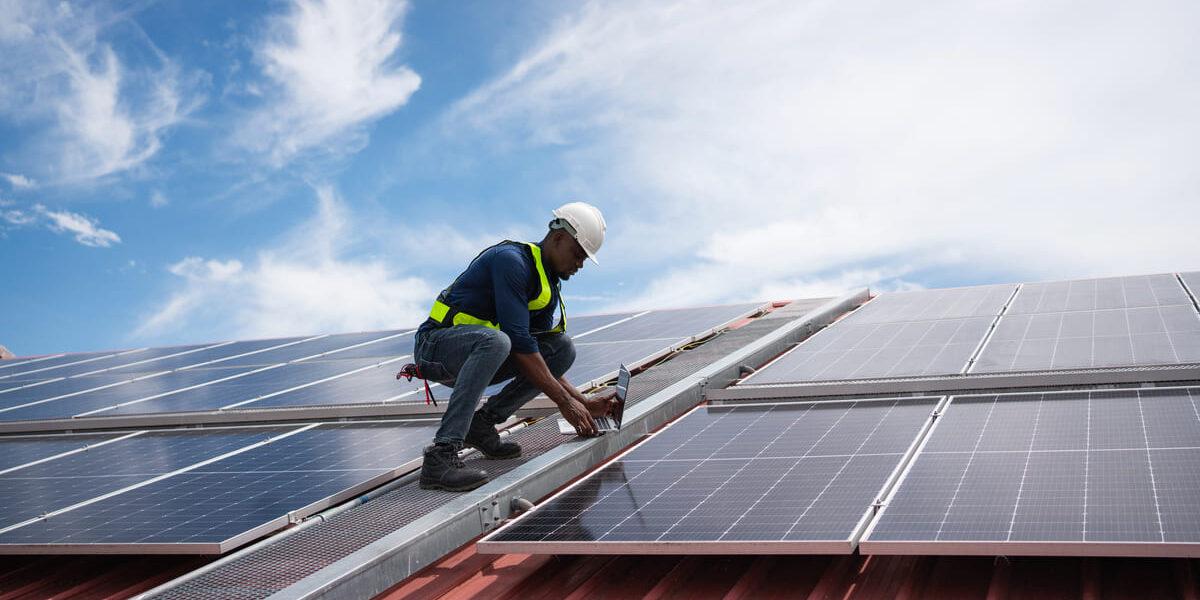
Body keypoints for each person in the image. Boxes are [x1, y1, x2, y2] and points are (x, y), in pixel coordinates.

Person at [413, 202, 618, 492]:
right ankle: (441, 454)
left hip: (480, 354)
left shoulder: (547, 287)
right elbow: (519, 344)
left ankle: (481, 426)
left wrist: (583, 402)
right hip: (435, 349)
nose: (580, 264)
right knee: (498, 341)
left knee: (561, 348)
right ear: (558, 238)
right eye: (578, 254)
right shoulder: (511, 261)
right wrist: (564, 402)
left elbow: (537, 359)